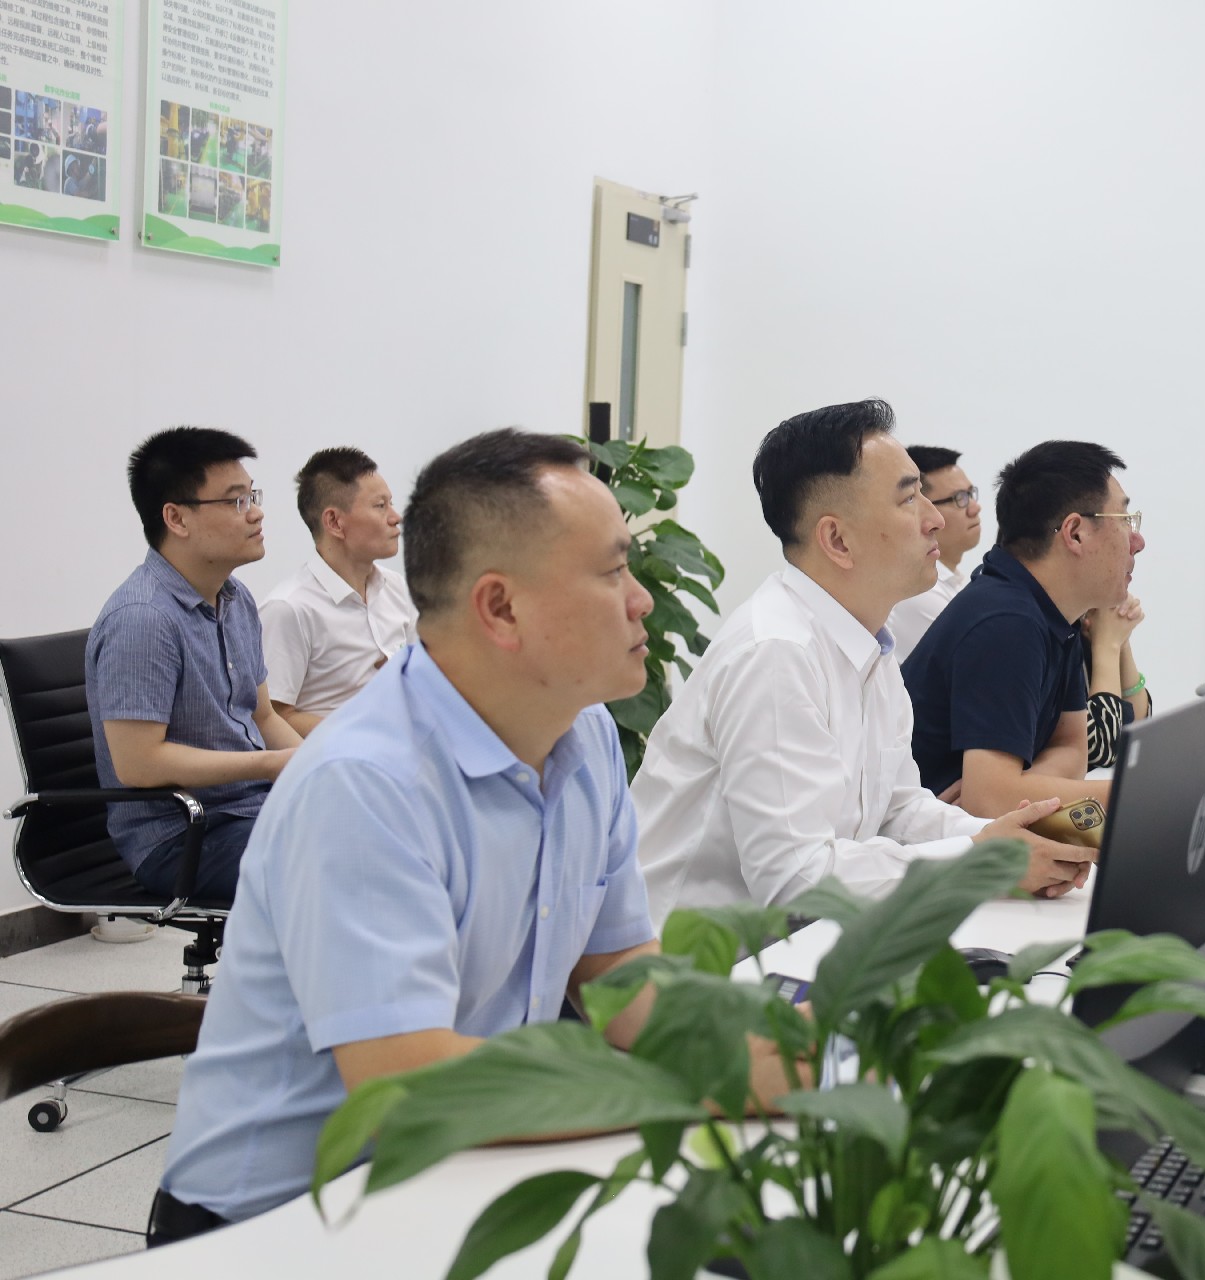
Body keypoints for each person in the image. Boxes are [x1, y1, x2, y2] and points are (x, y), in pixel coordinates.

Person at [152, 429, 793, 1244]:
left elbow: (618, 970)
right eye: (611, 572)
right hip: (278, 1221)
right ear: (500, 607)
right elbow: (404, 1080)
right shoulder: (367, 782)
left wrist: (744, 1045)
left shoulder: (583, 733)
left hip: (456, 1165)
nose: (640, 601)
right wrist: (691, 1088)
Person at [630, 400, 1092, 926]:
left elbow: (899, 811)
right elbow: (795, 881)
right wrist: (981, 860)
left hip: (801, 942)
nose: (935, 518)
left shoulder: (868, 641)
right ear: (838, 540)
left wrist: (1012, 841)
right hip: (691, 963)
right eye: (909, 498)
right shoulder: (776, 653)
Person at [86, 428, 303, 901]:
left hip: (249, 810)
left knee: (388, 824)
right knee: (339, 857)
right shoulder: (143, 618)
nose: (256, 513)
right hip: (181, 837)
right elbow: (139, 764)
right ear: (177, 518)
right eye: (236, 501)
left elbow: (264, 716)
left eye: (252, 496)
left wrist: (315, 767)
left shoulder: (235, 598)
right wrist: (270, 765)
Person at [902, 440, 1145, 818]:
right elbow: (991, 801)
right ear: (1075, 533)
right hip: (915, 848)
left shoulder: (1053, 609)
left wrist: (1017, 786)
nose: (1138, 542)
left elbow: (1074, 751)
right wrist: (1143, 793)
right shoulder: (1005, 621)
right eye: (1125, 520)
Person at [259, 447, 417, 735]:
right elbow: (272, 719)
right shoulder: (288, 608)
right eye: (380, 506)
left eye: (391, 504)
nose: (396, 517)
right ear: (334, 522)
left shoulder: (395, 587)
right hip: (339, 758)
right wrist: (366, 732)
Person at [886, 445, 983, 662]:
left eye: (970, 494)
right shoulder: (919, 592)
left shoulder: (954, 581)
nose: (975, 508)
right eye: (959, 498)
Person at [1083, 593, 1152, 770]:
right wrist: (1108, 645)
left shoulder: (1085, 618)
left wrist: (1121, 641)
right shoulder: (1036, 621)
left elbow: (1136, 730)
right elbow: (1102, 748)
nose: (1130, 580)